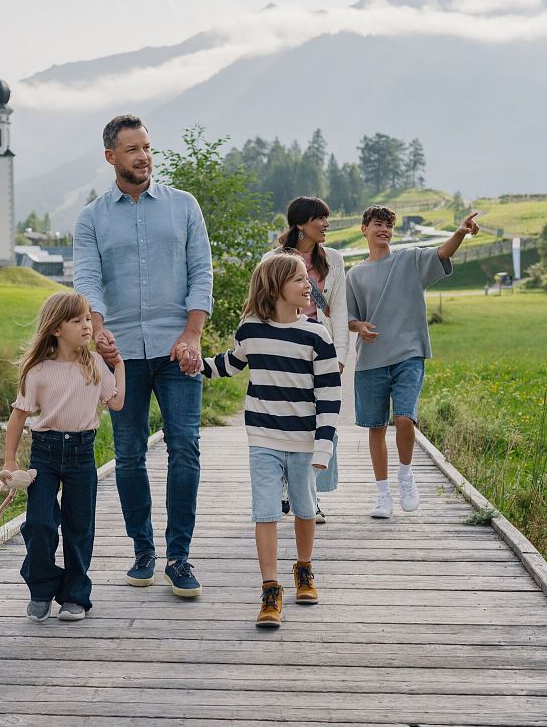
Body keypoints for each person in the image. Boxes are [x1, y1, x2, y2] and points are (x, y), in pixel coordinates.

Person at [73, 114, 213, 598]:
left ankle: (179, 556)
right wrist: (99, 328)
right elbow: (87, 279)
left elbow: (202, 273)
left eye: (147, 147)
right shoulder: (91, 218)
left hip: (179, 350)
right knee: (129, 456)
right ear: (111, 157)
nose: (143, 156)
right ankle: (143, 551)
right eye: (132, 149)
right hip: (121, 355)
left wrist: (193, 335)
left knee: (185, 449)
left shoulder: (184, 206)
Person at [200, 253, 341, 628]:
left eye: (306, 279)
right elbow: (229, 363)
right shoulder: (250, 329)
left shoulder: (317, 334)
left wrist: (324, 446)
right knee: (264, 511)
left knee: (304, 508)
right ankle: (270, 589)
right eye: (298, 279)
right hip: (262, 437)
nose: (307, 285)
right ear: (276, 286)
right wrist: (195, 364)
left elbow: (330, 395)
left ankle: (305, 569)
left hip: (304, 440)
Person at [347, 205, 479, 519]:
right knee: (375, 428)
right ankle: (382, 495)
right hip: (371, 361)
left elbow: (443, 252)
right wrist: (359, 326)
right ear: (364, 229)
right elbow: (349, 317)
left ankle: (405, 475)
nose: (384, 230)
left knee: (405, 418)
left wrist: (459, 232)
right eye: (378, 224)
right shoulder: (355, 274)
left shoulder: (409, 259)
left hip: (409, 353)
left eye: (388, 226)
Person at [1, 291, 125, 622]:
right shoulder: (37, 371)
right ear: (56, 328)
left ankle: (74, 597)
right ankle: (42, 588)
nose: (87, 326)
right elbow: (18, 416)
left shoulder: (95, 364)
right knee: (40, 523)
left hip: (82, 453)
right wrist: (10, 461)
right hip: (45, 452)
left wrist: (119, 364)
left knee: (79, 528)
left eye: (88, 319)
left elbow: (115, 403)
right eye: (78, 320)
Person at [265, 196, 349, 523]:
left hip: (321, 348)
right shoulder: (273, 259)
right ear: (301, 224)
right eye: (321, 219)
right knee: (286, 420)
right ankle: (285, 489)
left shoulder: (335, 260)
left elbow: (338, 310)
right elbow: (263, 305)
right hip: (285, 350)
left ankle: (310, 497)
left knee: (321, 422)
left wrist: (340, 355)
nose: (327, 224)